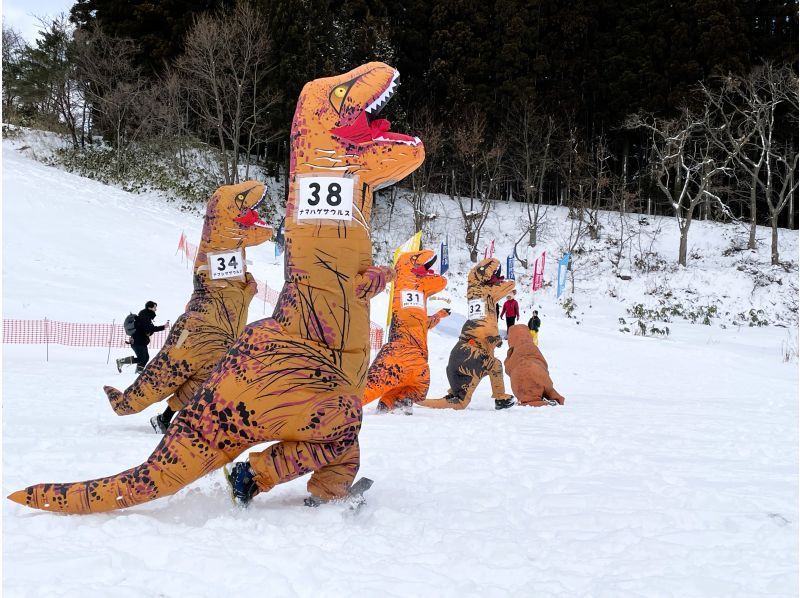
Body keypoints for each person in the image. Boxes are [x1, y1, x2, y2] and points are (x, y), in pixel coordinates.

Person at [116, 301, 168, 374]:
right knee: (141, 358)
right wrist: (163, 327)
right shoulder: (144, 316)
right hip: (137, 341)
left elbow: (148, 329)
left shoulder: (146, 316)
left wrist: (150, 331)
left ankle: (139, 371)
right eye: (154, 307)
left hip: (142, 340)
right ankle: (121, 361)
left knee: (145, 358)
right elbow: (149, 328)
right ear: (149, 308)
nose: (156, 309)